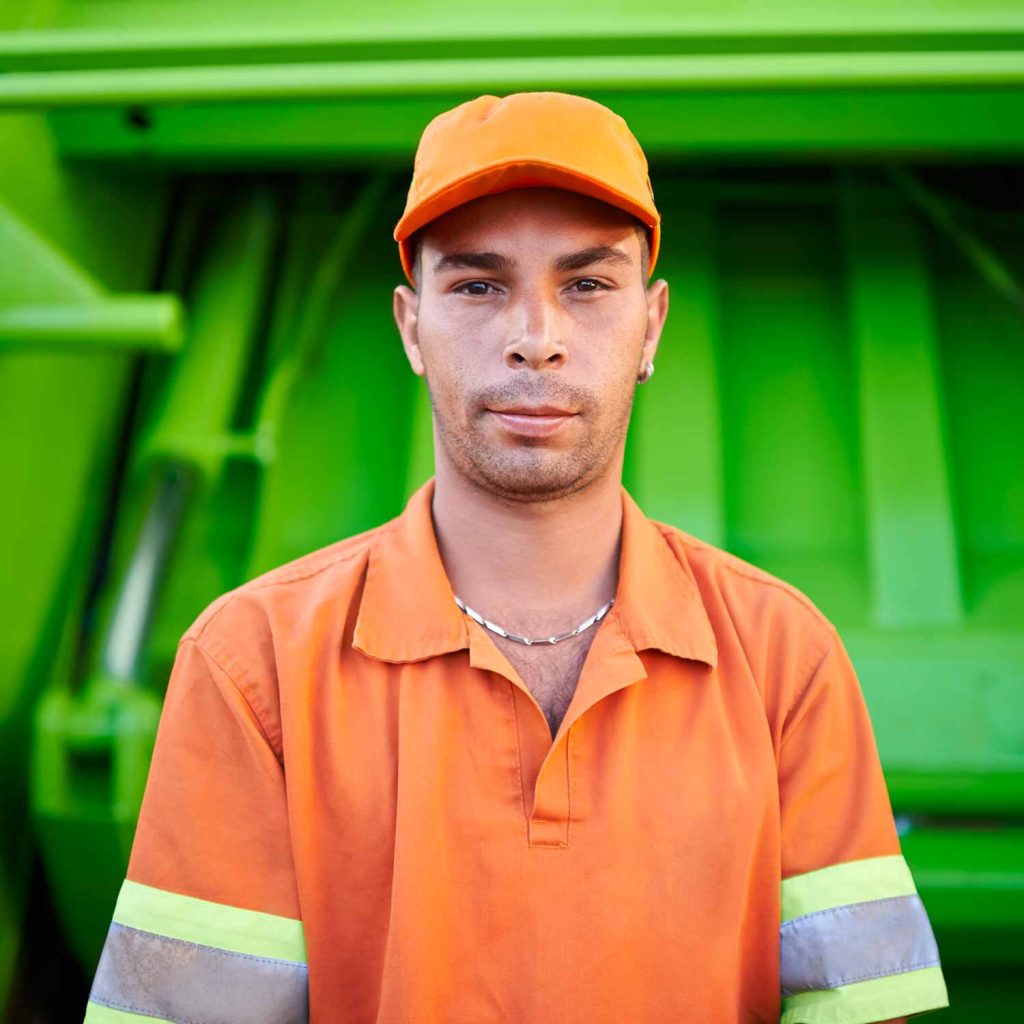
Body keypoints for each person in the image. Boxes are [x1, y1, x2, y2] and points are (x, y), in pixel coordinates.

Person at [83, 91, 949, 1024]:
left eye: (586, 285)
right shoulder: (252, 665)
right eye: (477, 285)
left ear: (650, 327)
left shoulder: (786, 659)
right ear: (412, 328)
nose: (535, 340)